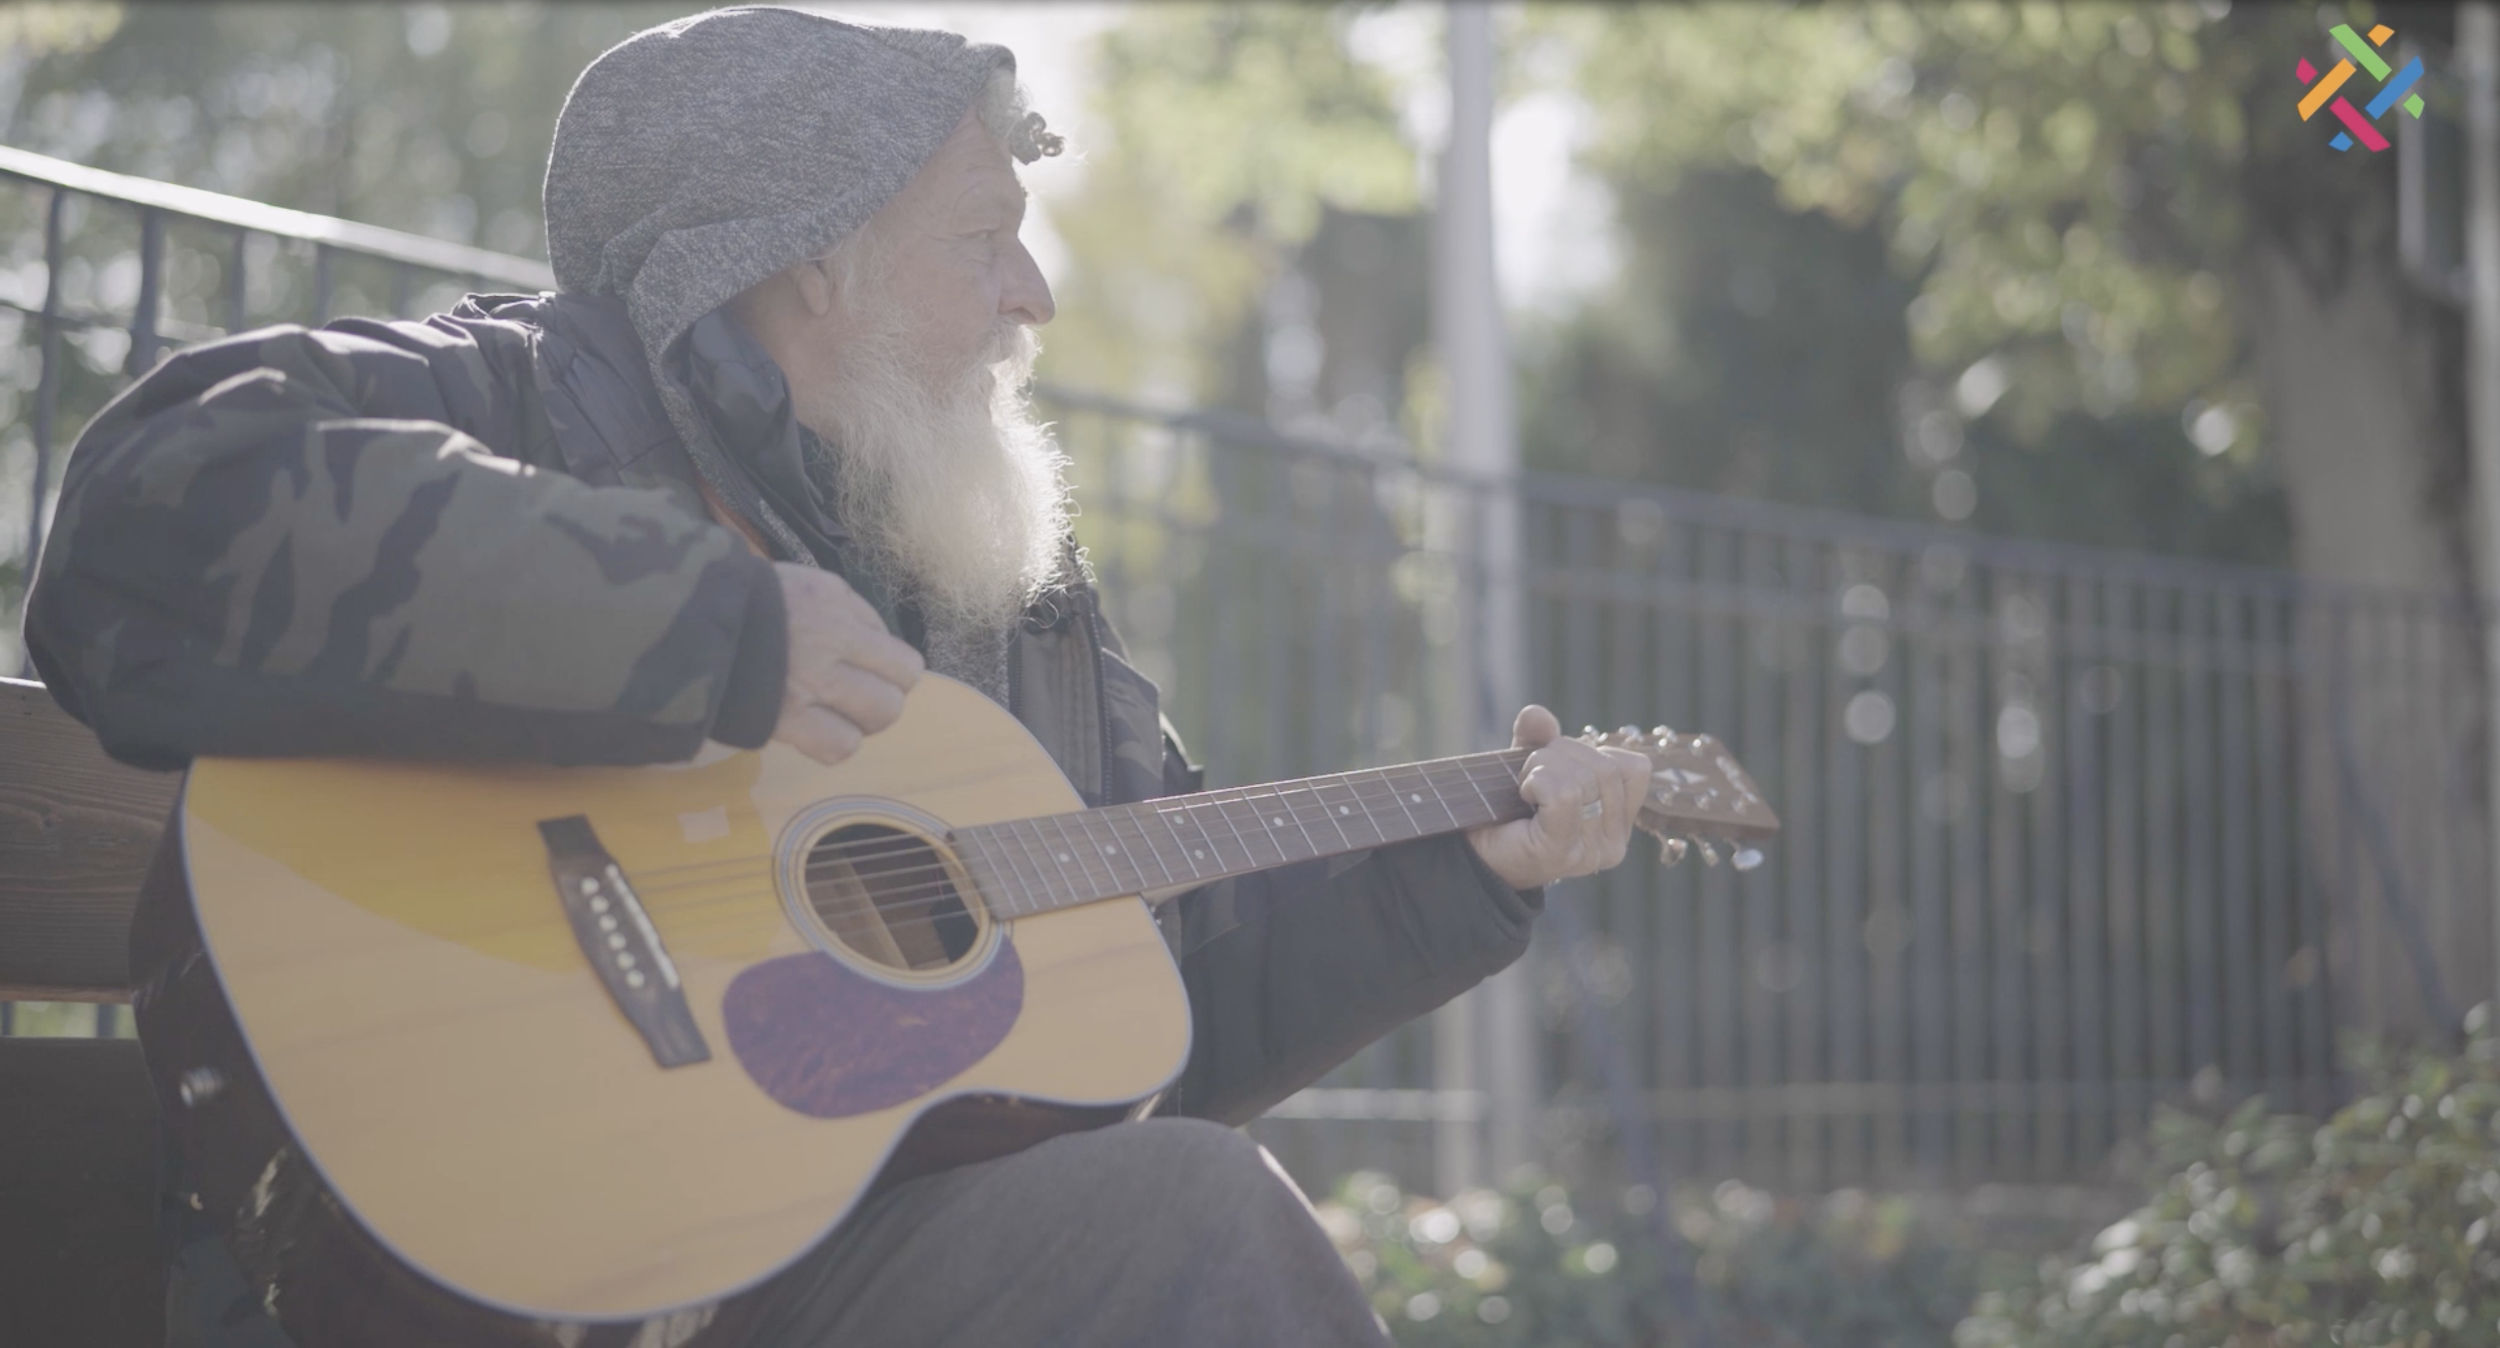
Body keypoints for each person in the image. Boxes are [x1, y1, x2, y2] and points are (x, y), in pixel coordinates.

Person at [23, 10, 1655, 1347]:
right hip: (488, 1259)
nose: (1037, 297)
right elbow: (146, 516)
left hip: (842, 1279)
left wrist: (1463, 878)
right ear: (802, 259)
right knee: (1204, 1214)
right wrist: (705, 632)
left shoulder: (1014, 596)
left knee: (1185, 1207)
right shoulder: (526, 402)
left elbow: (1149, 1019)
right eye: (984, 242)